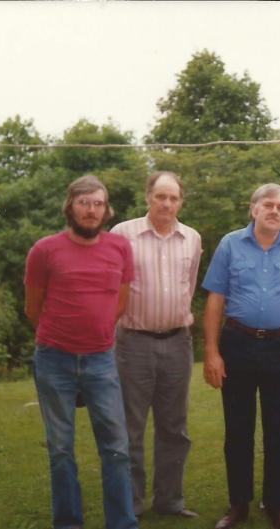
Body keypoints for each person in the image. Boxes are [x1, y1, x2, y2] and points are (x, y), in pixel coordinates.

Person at [24, 175, 138, 529]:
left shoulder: (120, 248)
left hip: (101, 360)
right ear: (70, 207)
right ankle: (68, 523)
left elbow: (120, 302)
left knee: (117, 449)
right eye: (84, 203)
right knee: (60, 450)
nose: (91, 210)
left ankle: (121, 523)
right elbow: (33, 308)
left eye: (98, 204)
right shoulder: (44, 250)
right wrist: (63, 337)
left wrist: (97, 333)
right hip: (54, 360)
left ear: (107, 210)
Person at [202, 183, 280, 529]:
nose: (275, 211)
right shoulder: (230, 245)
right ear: (253, 209)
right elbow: (215, 301)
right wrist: (211, 351)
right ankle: (239, 504)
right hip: (237, 344)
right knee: (238, 429)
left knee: (278, 432)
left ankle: (276, 503)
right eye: (268, 205)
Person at [111, 171, 202, 519]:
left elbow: (189, 285)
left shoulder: (191, 238)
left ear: (181, 201)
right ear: (148, 196)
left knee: (175, 428)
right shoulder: (122, 235)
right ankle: (130, 504)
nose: (166, 203)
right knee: (130, 428)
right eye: (160, 196)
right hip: (133, 344)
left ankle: (170, 502)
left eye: (173, 198)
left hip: (178, 344)